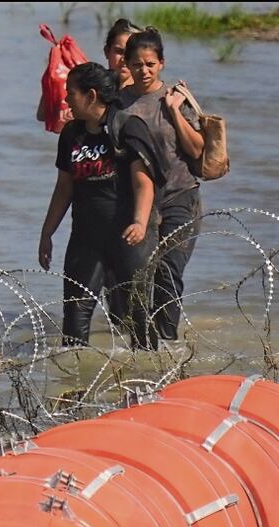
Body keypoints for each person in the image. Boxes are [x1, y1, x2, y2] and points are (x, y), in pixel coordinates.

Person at [38, 63, 163, 349]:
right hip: (85, 238)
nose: (66, 99)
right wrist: (47, 233)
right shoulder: (71, 134)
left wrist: (141, 223)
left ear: (90, 95)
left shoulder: (127, 128)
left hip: (129, 237)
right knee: (75, 317)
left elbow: (144, 184)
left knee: (139, 317)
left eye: (70, 93)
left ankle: (149, 380)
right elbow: (63, 188)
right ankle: (73, 387)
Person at [121, 28, 205, 343]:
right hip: (139, 203)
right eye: (137, 64)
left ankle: (167, 346)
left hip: (181, 196)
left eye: (150, 64)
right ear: (126, 64)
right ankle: (142, 346)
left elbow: (197, 150)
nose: (144, 71)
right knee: (139, 277)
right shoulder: (119, 104)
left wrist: (173, 111)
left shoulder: (175, 98)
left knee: (168, 273)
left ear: (162, 64)